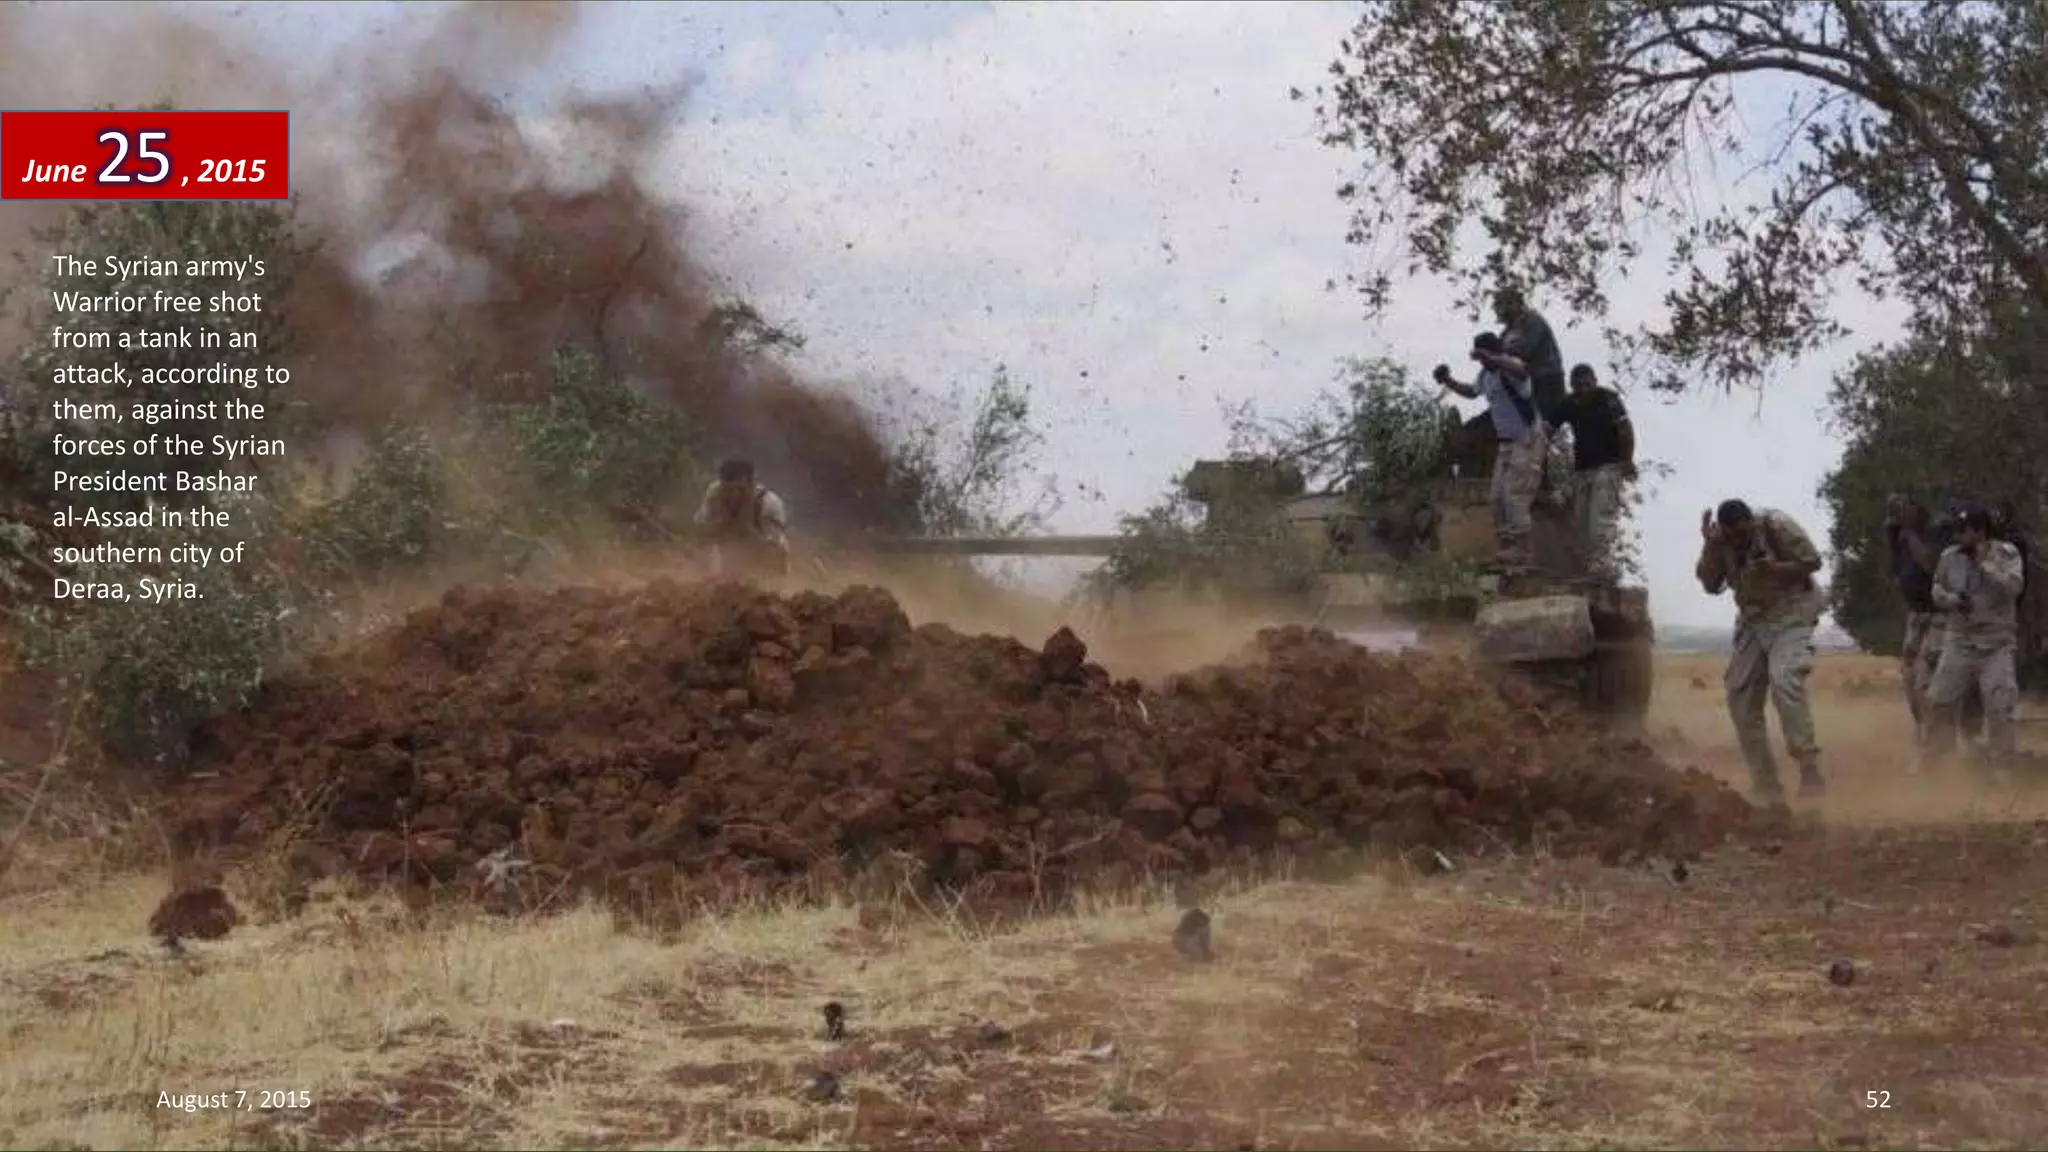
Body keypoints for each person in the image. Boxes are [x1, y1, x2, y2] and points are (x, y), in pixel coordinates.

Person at [1696, 499, 1828, 804]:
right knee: (1739, 695)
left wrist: (1777, 568)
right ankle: (1766, 783)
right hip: (1753, 619)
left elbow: (1812, 562)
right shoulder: (1720, 542)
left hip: (1791, 612)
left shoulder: (1775, 525)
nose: (1739, 541)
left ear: (1750, 523)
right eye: (1732, 536)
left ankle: (1808, 768)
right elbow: (1710, 584)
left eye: (1743, 533)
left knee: (1784, 681)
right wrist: (1710, 547)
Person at [1433, 332, 1546, 573]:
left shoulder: (1512, 369)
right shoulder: (1486, 375)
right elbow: (1472, 392)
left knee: (1515, 496)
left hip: (1526, 441)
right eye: (1479, 356)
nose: (1481, 360)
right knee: (1496, 497)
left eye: (1483, 354)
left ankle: (1524, 553)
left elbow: (1522, 371)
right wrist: (1448, 380)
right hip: (1506, 444)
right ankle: (1507, 549)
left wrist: (1494, 357)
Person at [1924, 504, 2025, 773]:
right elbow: (1936, 587)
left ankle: (2002, 767)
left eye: (1964, 530)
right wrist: (1951, 600)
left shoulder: (2007, 553)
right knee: (1939, 700)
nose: (1958, 536)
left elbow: (2013, 588)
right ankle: (1935, 761)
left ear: (1980, 531)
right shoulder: (1949, 556)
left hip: (1996, 642)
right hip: (1960, 640)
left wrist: (1986, 565)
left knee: (2000, 704)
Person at [1549, 364, 1636, 582]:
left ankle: (1602, 565)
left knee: (1601, 517)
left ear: (1595, 381)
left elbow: (1625, 430)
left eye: (1588, 384)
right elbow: (1547, 430)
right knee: (1582, 520)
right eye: (1579, 386)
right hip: (1583, 470)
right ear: (1573, 387)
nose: (1584, 390)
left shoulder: (1608, 399)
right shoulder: (1569, 404)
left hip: (1608, 466)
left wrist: (1627, 461)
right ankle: (1590, 565)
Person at [1884, 493, 1943, 754]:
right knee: (1909, 677)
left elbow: (1930, 566)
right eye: (1895, 509)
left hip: (1938, 614)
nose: (1899, 512)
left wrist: (1910, 534)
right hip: (1916, 615)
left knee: (1925, 678)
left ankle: (1934, 739)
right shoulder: (1897, 538)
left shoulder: (1932, 533)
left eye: (1904, 506)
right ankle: (1922, 728)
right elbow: (1899, 574)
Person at [692, 458, 790, 581]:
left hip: (765, 563)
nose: (735, 495)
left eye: (740, 489)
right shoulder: (714, 497)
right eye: (729, 489)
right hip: (729, 561)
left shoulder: (768, 504)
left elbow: (774, 549)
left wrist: (747, 530)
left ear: (752, 485)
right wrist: (719, 526)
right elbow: (699, 532)